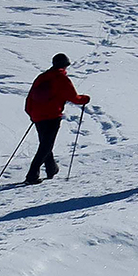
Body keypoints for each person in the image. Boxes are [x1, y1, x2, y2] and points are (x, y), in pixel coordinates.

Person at [23, 53, 91, 184]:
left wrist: (32, 114)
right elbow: (74, 98)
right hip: (52, 116)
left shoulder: (41, 77)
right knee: (46, 146)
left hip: (37, 116)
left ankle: (51, 169)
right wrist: (85, 99)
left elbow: (30, 97)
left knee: (45, 143)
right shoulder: (61, 79)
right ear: (65, 65)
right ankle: (32, 176)